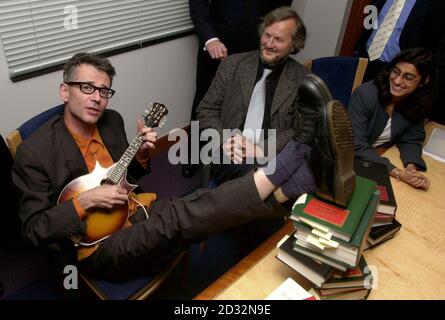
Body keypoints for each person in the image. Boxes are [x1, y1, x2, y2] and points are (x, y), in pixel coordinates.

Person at [12, 52, 350, 282]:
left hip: (134, 207)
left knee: (198, 200)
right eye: (87, 87)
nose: (97, 98)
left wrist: (142, 156)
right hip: (93, 247)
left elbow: (125, 179)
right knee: (180, 219)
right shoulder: (35, 152)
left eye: (104, 90)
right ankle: (295, 162)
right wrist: (85, 201)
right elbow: (33, 230)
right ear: (64, 90)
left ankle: (293, 181)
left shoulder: (111, 121)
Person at [197, 6, 309, 185]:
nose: (269, 44)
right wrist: (227, 141)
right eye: (267, 35)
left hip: (269, 154)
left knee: (288, 170)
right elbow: (206, 109)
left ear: (294, 44)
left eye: (278, 39)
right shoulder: (232, 65)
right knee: (263, 179)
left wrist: (261, 149)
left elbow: (300, 128)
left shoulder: (302, 79)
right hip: (228, 150)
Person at [347, 47, 434, 190]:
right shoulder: (366, 94)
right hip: (347, 160)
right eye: (396, 72)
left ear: (423, 82)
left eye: (408, 77)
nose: (397, 81)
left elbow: (412, 139)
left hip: (374, 158)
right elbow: (356, 146)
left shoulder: (417, 101)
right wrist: (397, 173)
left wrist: (411, 169)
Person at [354, 0, 442, 82]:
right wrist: (358, 51)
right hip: (364, 60)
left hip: (399, 71)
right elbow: (370, 22)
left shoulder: (435, 3)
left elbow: (435, 44)